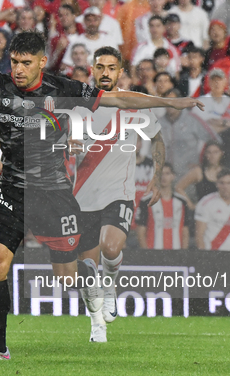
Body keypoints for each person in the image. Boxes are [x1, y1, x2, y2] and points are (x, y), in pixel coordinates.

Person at [0, 31, 202, 360]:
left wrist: (171, 101)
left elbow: (120, 101)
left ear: (42, 62)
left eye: (25, 63)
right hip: (14, 190)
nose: (18, 69)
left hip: (54, 193)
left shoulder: (64, 90)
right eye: (14, 62)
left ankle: (97, 294)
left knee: (68, 276)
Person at [72, 46, 164, 341]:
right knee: (87, 269)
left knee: (110, 248)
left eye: (112, 68)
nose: (106, 73)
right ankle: (96, 323)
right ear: (93, 70)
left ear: (120, 72)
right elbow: (65, 144)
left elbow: (158, 140)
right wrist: (68, 147)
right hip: (83, 195)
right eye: (100, 67)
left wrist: (157, 178)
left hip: (118, 193)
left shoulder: (133, 104)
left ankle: (110, 284)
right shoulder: (78, 107)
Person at [158, 89, 218, 178]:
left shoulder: (193, 119)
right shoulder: (158, 123)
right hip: (165, 177)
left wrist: (203, 164)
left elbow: (214, 140)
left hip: (187, 176)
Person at [195, 168, 230, 252]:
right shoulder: (206, 203)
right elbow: (199, 234)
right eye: (222, 183)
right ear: (216, 184)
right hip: (213, 256)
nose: (225, 187)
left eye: (229, 183)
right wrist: (204, 257)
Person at [136, 163, 191, 250]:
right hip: (153, 252)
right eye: (160, 174)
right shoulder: (146, 201)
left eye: (167, 173)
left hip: (176, 252)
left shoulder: (182, 201)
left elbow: (185, 230)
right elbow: (141, 231)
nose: (163, 177)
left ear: (173, 176)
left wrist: (183, 253)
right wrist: (146, 254)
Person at [175, 141, 224, 208]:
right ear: (205, 154)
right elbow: (178, 187)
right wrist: (190, 205)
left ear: (221, 153)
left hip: (223, 212)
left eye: (215, 152)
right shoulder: (198, 172)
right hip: (204, 212)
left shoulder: (226, 172)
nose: (212, 156)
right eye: (209, 152)